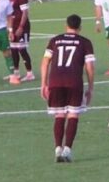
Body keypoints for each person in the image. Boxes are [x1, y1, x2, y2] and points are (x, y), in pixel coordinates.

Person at [40, 14, 95, 163]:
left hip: (55, 81)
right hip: (74, 82)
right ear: (80, 27)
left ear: (66, 26)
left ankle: (58, 148)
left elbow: (45, 62)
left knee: (59, 115)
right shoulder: (85, 42)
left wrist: (43, 84)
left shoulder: (55, 40)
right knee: (73, 115)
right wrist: (90, 87)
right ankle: (67, 150)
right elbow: (89, 67)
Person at [6, 0, 34, 81]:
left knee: (22, 49)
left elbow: (25, 13)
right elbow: (9, 14)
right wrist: (10, 29)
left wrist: (21, 27)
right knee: (13, 50)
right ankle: (16, 73)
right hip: (13, 27)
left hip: (22, 27)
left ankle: (30, 73)